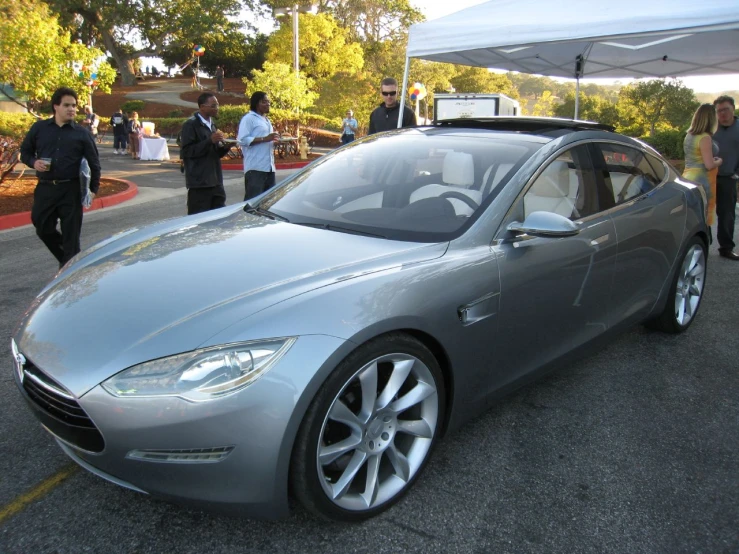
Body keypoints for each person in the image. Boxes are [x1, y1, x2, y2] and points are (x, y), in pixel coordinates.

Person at [19, 87, 101, 268]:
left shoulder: (82, 133)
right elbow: (25, 152)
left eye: (74, 105)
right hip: (46, 188)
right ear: (56, 106)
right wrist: (34, 162)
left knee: (71, 237)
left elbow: (95, 164)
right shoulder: (39, 128)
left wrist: (93, 189)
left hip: (70, 190)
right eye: (66, 105)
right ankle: (69, 260)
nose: (71, 109)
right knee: (42, 227)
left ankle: (69, 269)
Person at [179, 93, 232, 215]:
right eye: (213, 105)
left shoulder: (212, 125)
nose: (217, 108)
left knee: (219, 219)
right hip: (200, 185)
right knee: (199, 221)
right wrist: (209, 141)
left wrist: (227, 146)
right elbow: (187, 152)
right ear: (202, 107)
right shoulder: (190, 125)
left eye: (217, 105)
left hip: (216, 182)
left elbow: (214, 153)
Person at [683, 104, 722, 239]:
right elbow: (709, 165)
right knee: (704, 216)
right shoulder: (704, 137)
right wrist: (719, 161)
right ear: (711, 119)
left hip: (688, 177)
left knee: (694, 215)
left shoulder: (689, 135)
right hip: (702, 180)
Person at [237, 91, 280, 201]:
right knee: (253, 202)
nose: (268, 104)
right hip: (255, 168)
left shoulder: (266, 120)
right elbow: (242, 140)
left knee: (268, 203)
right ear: (256, 103)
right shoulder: (249, 118)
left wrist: (274, 141)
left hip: (269, 168)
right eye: (264, 102)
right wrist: (265, 139)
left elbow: (268, 141)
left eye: (268, 102)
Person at [712, 95, 739, 260]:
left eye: (725, 109)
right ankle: (698, 245)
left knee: (727, 214)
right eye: (719, 111)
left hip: (728, 177)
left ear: (733, 109)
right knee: (702, 212)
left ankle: (726, 248)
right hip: (707, 177)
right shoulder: (711, 128)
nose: (722, 114)